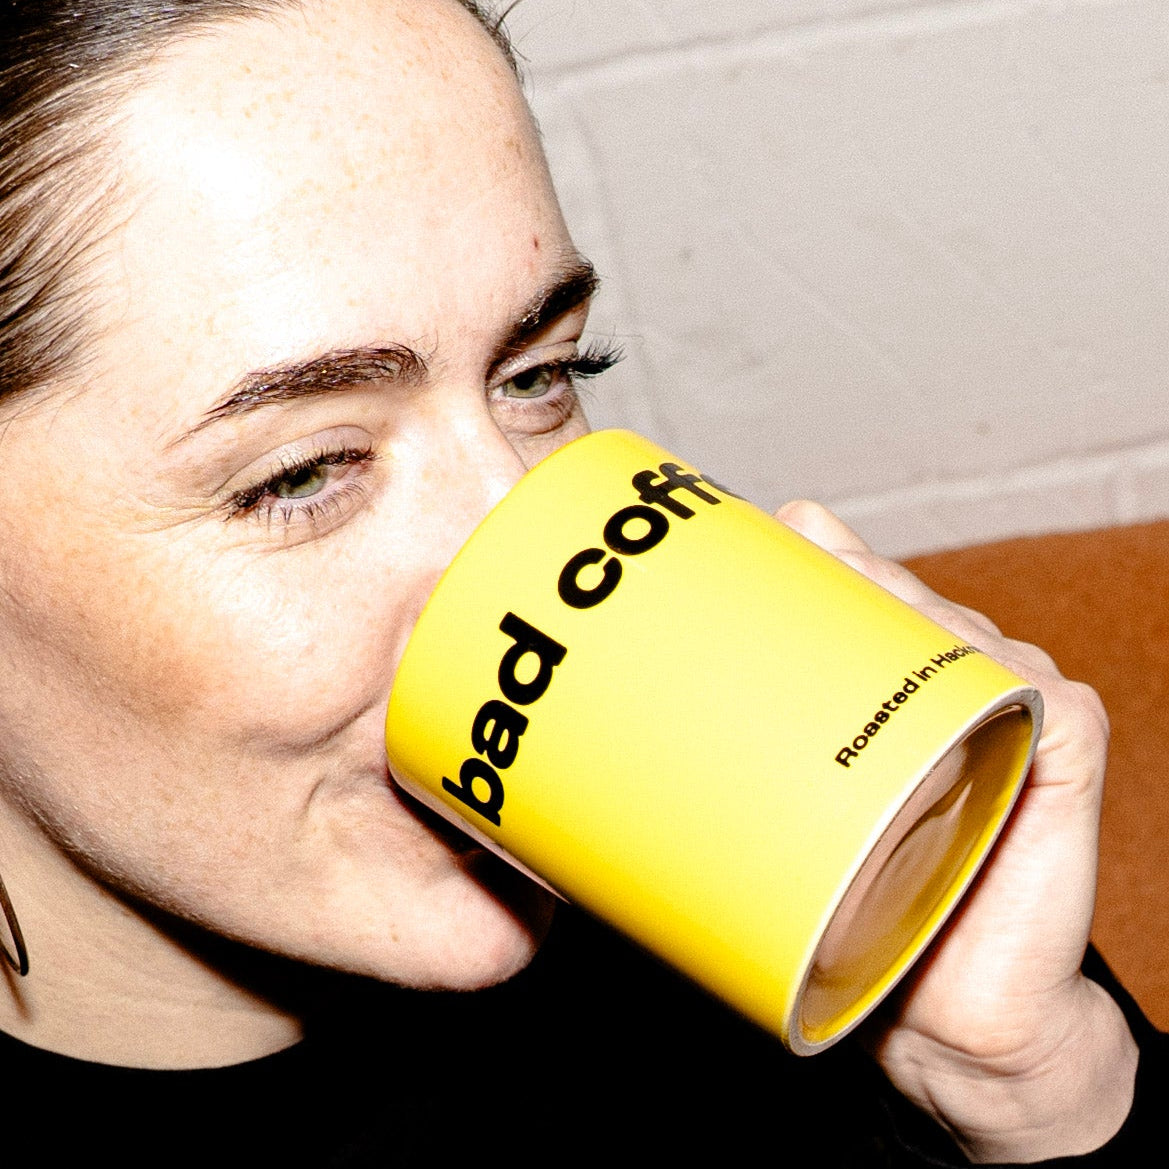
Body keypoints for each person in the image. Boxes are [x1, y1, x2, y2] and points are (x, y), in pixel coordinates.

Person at [0, 0, 1153, 1162]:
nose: (550, 574)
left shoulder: (739, 873)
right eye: (300, 472)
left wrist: (1035, 1086)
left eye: (537, 374)